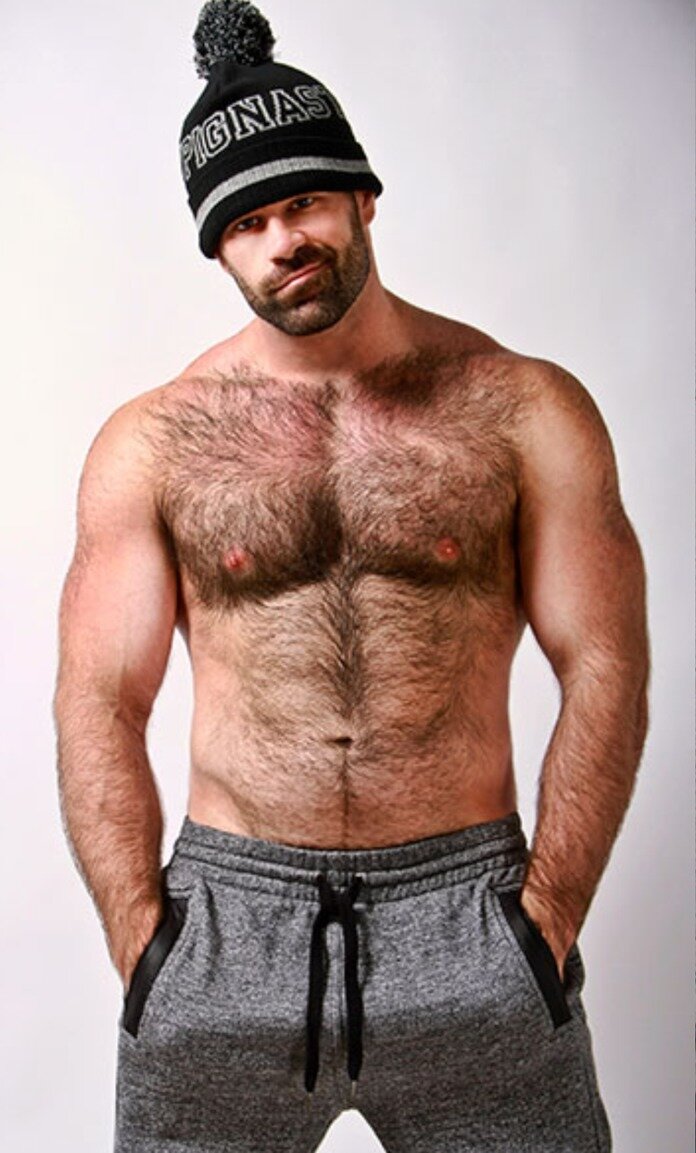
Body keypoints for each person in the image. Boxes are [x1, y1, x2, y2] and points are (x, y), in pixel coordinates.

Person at [54, 2, 649, 1150]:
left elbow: (605, 658)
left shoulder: (522, 408)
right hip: (228, 931)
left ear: (364, 196)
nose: (285, 239)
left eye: (307, 201)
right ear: (218, 248)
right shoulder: (154, 442)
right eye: (249, 222)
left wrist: (548, 916)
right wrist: (144, 943)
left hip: (471, 917)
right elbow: (99, 697)